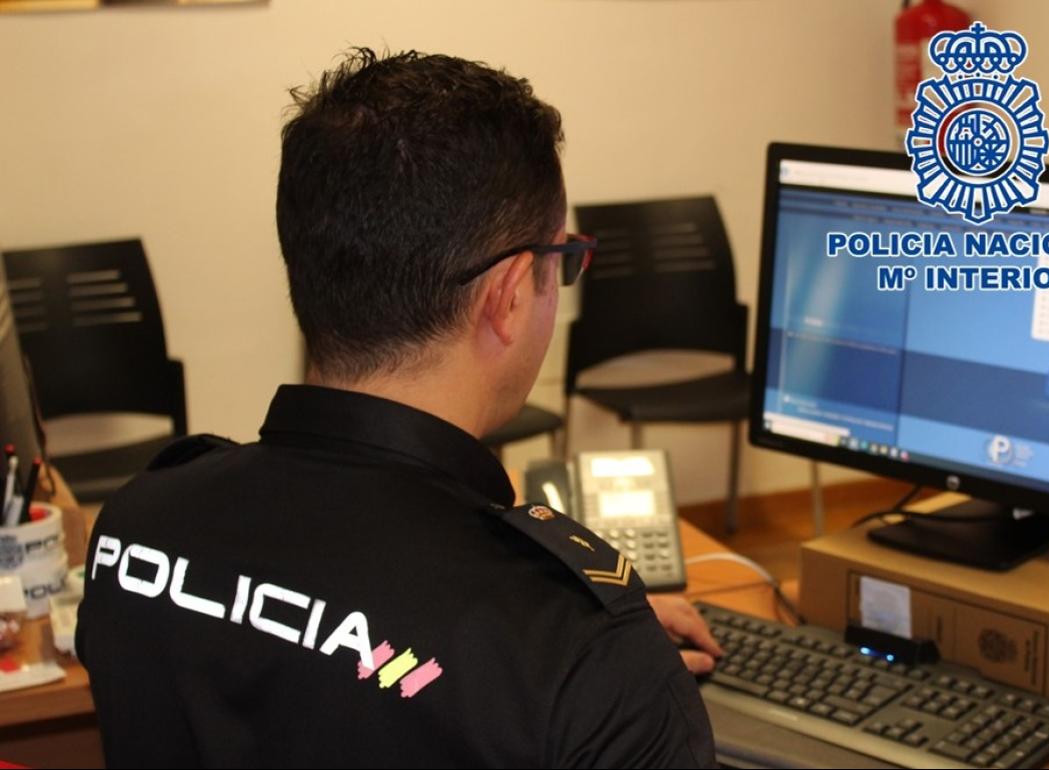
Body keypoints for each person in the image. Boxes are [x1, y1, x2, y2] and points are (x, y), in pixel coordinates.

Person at [76, 48, 721, 768]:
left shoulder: (138, 526)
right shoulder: (583, 656)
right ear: (509, 295)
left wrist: (569, 652)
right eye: (560, 261)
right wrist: (596, 663)